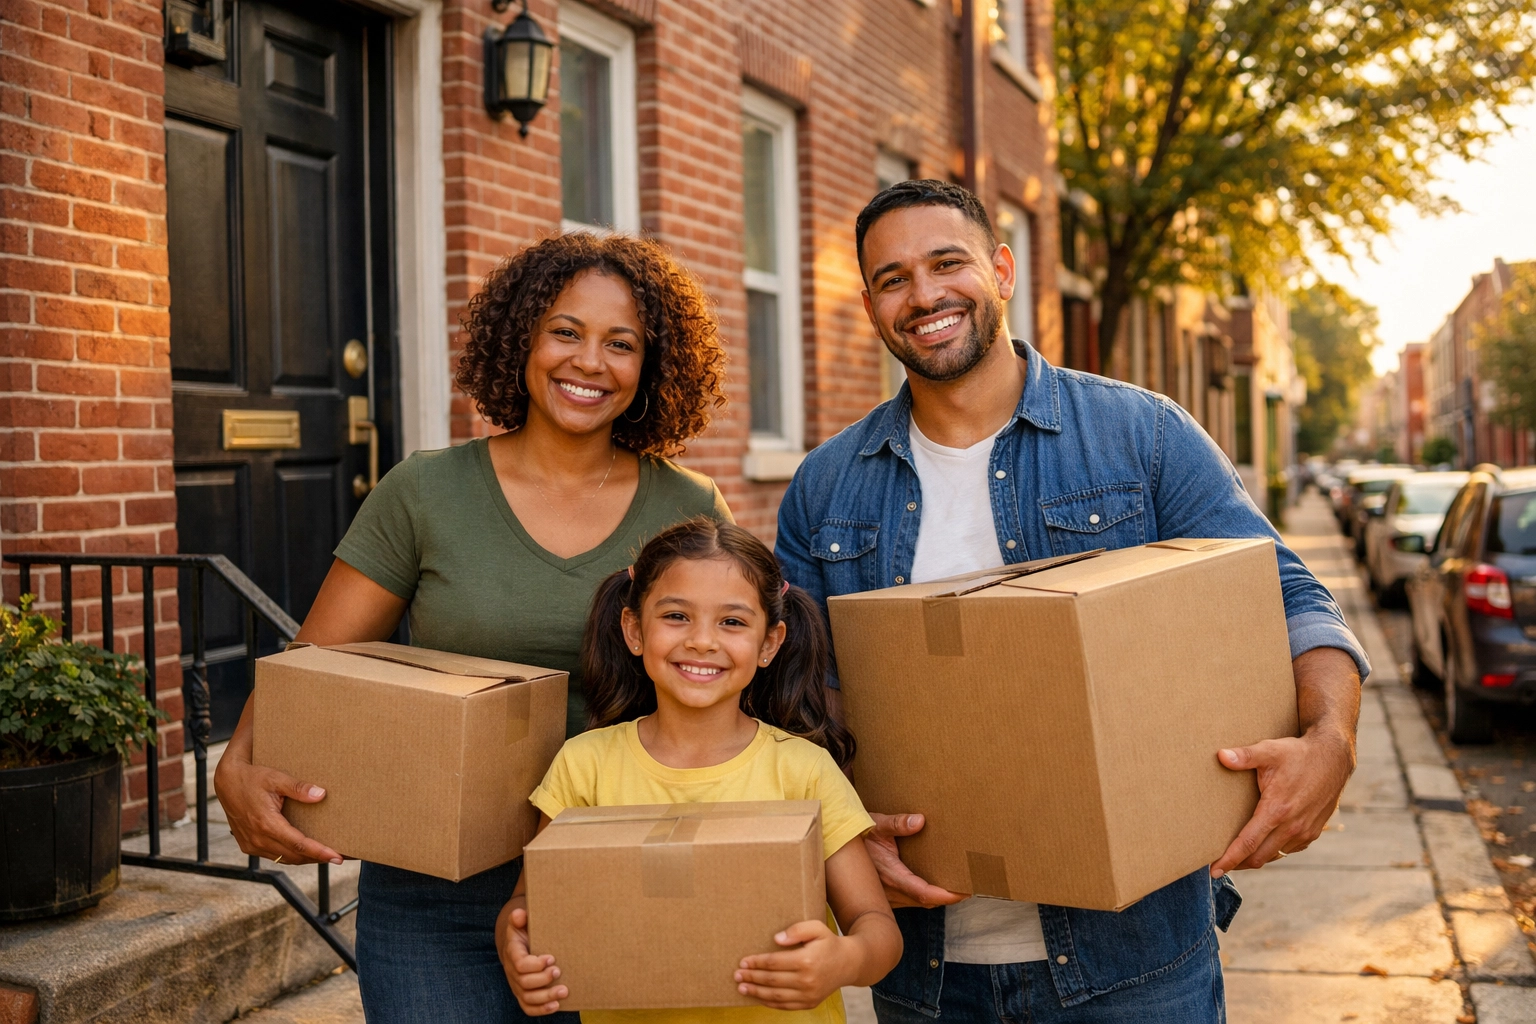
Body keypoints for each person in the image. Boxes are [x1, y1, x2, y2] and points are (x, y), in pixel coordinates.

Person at [775, 180, 1369, 1023]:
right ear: (870, 303)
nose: (925, 296)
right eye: (893, 278)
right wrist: (840, 823)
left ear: (1003, 270)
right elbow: (796, 697)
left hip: (1137, 963)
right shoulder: (825, 487)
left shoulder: (1143, 435)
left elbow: (1290, 597)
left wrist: (1330, 739)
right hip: (926, 973)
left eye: (948, 263)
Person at [213, 233, 733, 1023]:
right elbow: (318, 660)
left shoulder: (687, 507)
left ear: (650, 367)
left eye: (620, 344)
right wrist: (240, 762)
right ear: (520, 338)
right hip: (437, 885)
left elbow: (739, 677)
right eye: (565, 331)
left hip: (621, 867)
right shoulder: (426, 490)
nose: (589, 362)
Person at [498, 518, 902, 1021]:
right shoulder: (584, 767)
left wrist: (844, 959)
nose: (703, 642)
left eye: (732, 622)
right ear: (633, 629)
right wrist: (516, 951)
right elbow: (526, 908)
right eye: (676, 616)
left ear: (769, 643)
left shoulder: (803, 771)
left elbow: (876, 928)